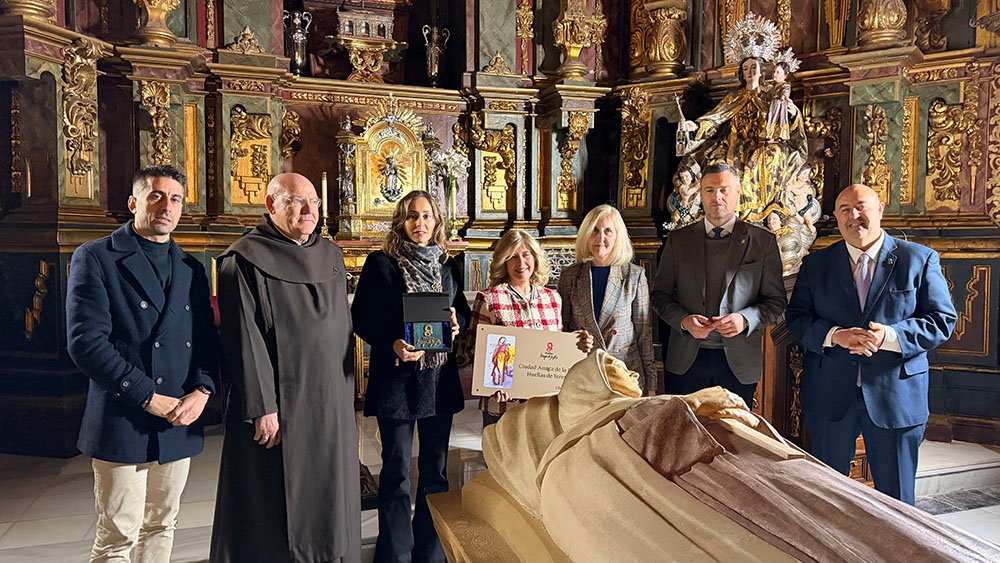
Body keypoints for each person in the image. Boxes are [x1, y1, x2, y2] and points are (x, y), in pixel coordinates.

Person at [66, 165, 218, 562]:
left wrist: (203, 390)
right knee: (118, 535)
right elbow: (86, 343)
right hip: (124, 414)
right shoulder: (97, 257)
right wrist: (148, 396)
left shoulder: (190, 268)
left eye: (175, 199)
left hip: (179, 416)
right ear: (134, 202)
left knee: (162, 524)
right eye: (155, 196)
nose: (166, 206)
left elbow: (206, 340)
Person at [210, 173, 359, 563]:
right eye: (296, 202)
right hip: (281, 404)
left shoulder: (330, 254)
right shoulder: (243, 259)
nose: (309, 210)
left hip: (331, 401)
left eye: (314, 202)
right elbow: (243, 339)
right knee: (278, 500)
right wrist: (262, 407)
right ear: (271, 205)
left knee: (331, 487)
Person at [786, 184, 957, 505]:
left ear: (880, 210)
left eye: (862, 206)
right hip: (830, 397)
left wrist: (889, 337)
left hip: (896, 397)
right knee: (826, 499)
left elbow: (941, 320)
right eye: (845, 210)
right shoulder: (816, 264)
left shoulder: (918, 260)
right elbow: (796, 319)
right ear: (836, 217)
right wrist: (835, 334)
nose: (854, 216)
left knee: (898, 502)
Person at [351, 190, 470, 563]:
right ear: (401, 221)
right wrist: (392, 344)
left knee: (435, 473)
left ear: (437, 222)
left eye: (427, 217)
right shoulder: (381, 264)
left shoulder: (449, 265)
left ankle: (430, 554)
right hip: (398, 382)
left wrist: (455, 322)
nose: (420, 224)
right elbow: (362, 318)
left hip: (438, 383)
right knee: (397, 472)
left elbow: (461, 311)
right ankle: (395, 554)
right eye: (413, 217)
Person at [651, 162, 786, 408]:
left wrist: (745, 319)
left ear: (737, 193)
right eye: (709, 190)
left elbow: (776, 301)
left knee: (734, 439)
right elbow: (660, 295)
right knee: (683, 438)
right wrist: (683, 321)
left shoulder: (763, 242)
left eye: (724, 190)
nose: (717, 197)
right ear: (700, 194)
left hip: (738, 362)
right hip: (686, 360)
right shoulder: (678, 240)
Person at [465, 229, 589, 426]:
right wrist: (491, 384)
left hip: (545, 407)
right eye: (513, 256)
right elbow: (474, 350)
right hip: (504, 407)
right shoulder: (490, 299)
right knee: (501, 457)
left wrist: (578, 343)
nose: (521, 263)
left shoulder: (552, 298)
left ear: (535, 258)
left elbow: (555, 348)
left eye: (525, 255)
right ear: (503, 261)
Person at [558, 205, 656, 394]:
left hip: (625, 375)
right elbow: (563, 328)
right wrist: (576, 341)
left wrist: (651, 384)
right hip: (584, 376)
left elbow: (644, 334)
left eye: (608, 231)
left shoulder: (634, 276)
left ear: (617, 236)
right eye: (594, 230)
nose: (600, 238)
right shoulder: (570, 276)